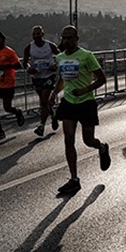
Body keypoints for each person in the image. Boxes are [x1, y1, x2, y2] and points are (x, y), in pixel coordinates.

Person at [50, 25, 111, 195]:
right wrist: (54, 93)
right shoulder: (60, 57)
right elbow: (62, 79)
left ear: (77, 39)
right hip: (69, 102)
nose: (67, 41)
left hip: (86, 102)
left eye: (70, 38)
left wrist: (85, 90)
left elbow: (102, 79)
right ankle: (74, 179)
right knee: (68, 139)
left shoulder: (87, 56)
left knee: (88, 140)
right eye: (64, 38)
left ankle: (101, 147)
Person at [24, 25, 60, 136]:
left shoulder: (50, 45)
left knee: (44, 100)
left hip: (49, 76)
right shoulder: (29, 47)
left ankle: (41, 126)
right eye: (34, 34)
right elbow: (24, 63)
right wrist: (29, 69)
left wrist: (55, 65)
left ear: (42, 34)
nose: (36, 36)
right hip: (37, 77)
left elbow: (61, 56)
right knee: (44, 102)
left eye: (38, 34)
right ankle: (53, 114)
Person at [0, 31, 24, 140]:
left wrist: (6, 66)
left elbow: (19, 65)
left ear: (3, 41)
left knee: (7, 108)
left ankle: (17, 112)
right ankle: (0, 131)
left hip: (7, 84)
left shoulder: (9, 52)